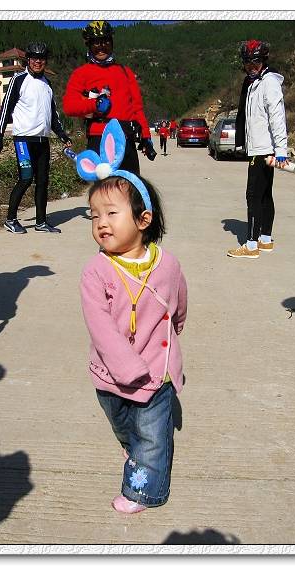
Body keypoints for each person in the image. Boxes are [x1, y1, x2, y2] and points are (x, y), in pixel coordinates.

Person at [76, 120, 187, 514]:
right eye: (93, 216)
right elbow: (100, 327)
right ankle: (132, 449)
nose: (101, 223)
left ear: (143, 220)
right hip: (110, 375)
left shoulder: (167, 265)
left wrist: (172, 338)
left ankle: (142, 490)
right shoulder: (96, 271)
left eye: (110, 213)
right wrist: (125, 367)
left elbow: (179, 305)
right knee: (124, 426)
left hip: (157, 374)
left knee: (152, 437)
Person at [0, 42, 72, 234]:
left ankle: (41, 222)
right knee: (26, 178)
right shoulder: (18, 80)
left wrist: (62, 135)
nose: (38, 61)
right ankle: (10, 220)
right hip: (23, 141)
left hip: (43, 141)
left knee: (43, 181)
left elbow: (52, 115)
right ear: (27, 59)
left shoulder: (47, 84)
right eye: (34, 58)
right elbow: (6, 109)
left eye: (41, 58)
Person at [63, 20, 155, 176]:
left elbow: (137, 107)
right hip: (99, 138)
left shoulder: (125, 72)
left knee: (130, 190)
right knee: (104, 192)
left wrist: (146, 136)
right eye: (96, 43)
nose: (101, 47)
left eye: (105, 42)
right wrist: (95, 105)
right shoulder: (81, 73)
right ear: (89, 46)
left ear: (111, 43)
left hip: (127, 139)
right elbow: (69, 106)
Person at [227, 39, 288, 259]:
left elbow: (277, 116)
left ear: (263, 60)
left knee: (252, 195)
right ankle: (265, 238)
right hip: (261, 147)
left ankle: (251, 245)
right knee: (264, 194)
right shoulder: (253, 83)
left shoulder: (269, 82)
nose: (251, 67)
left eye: (255, 62)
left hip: (265, 149)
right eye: (247, 63)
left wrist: (281, 148)